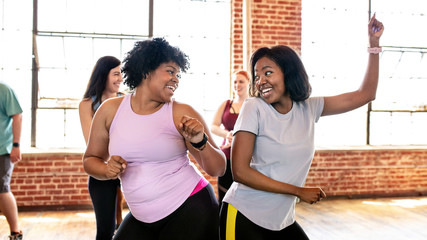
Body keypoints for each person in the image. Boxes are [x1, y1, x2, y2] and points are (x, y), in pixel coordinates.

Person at [219, 15, 384, 240]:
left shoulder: (309, 108)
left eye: (268, 72)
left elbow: (365, 94)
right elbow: (240, 172)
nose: (260, 81)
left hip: (281, 220)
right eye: (257, 76)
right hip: (243, 215)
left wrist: (374, 46)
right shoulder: (254, 107)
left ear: (289, 73)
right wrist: (298, 191)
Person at [82, 38, 226, 240]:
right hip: (142, 216)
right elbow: (90, 159)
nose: (176, 78)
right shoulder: (110, 111)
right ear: (146, 70)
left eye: (178, 74)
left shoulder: (181, 113)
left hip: (190, 207)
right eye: (170, 71)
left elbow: (218, 168)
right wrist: (106, 170)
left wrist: (200, 141)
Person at [79, 56, 125, 240]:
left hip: (128, 167)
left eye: (121, 73)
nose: (120, 78)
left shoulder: (127, 100)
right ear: (103, 75)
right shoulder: (87, 104)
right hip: (102, 170)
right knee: (106, 230)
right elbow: (92, 143)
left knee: (123, 226)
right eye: (116, 73)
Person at [211, 70, 250, 202]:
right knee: (225, 196)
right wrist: (227, 134)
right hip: (226, 156)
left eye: (241, 81)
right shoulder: (226, 104)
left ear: (248, 83)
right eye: (235, 82)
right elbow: (213, 126)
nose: (237, 85)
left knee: (244, 197)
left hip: (248, 158)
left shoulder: (254, 106)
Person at [0, 82, 23, 240]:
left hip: (3, 150)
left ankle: (15, 232)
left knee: (2, 189)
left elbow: (17, 116)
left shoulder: (4, 90)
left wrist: (16, 145)